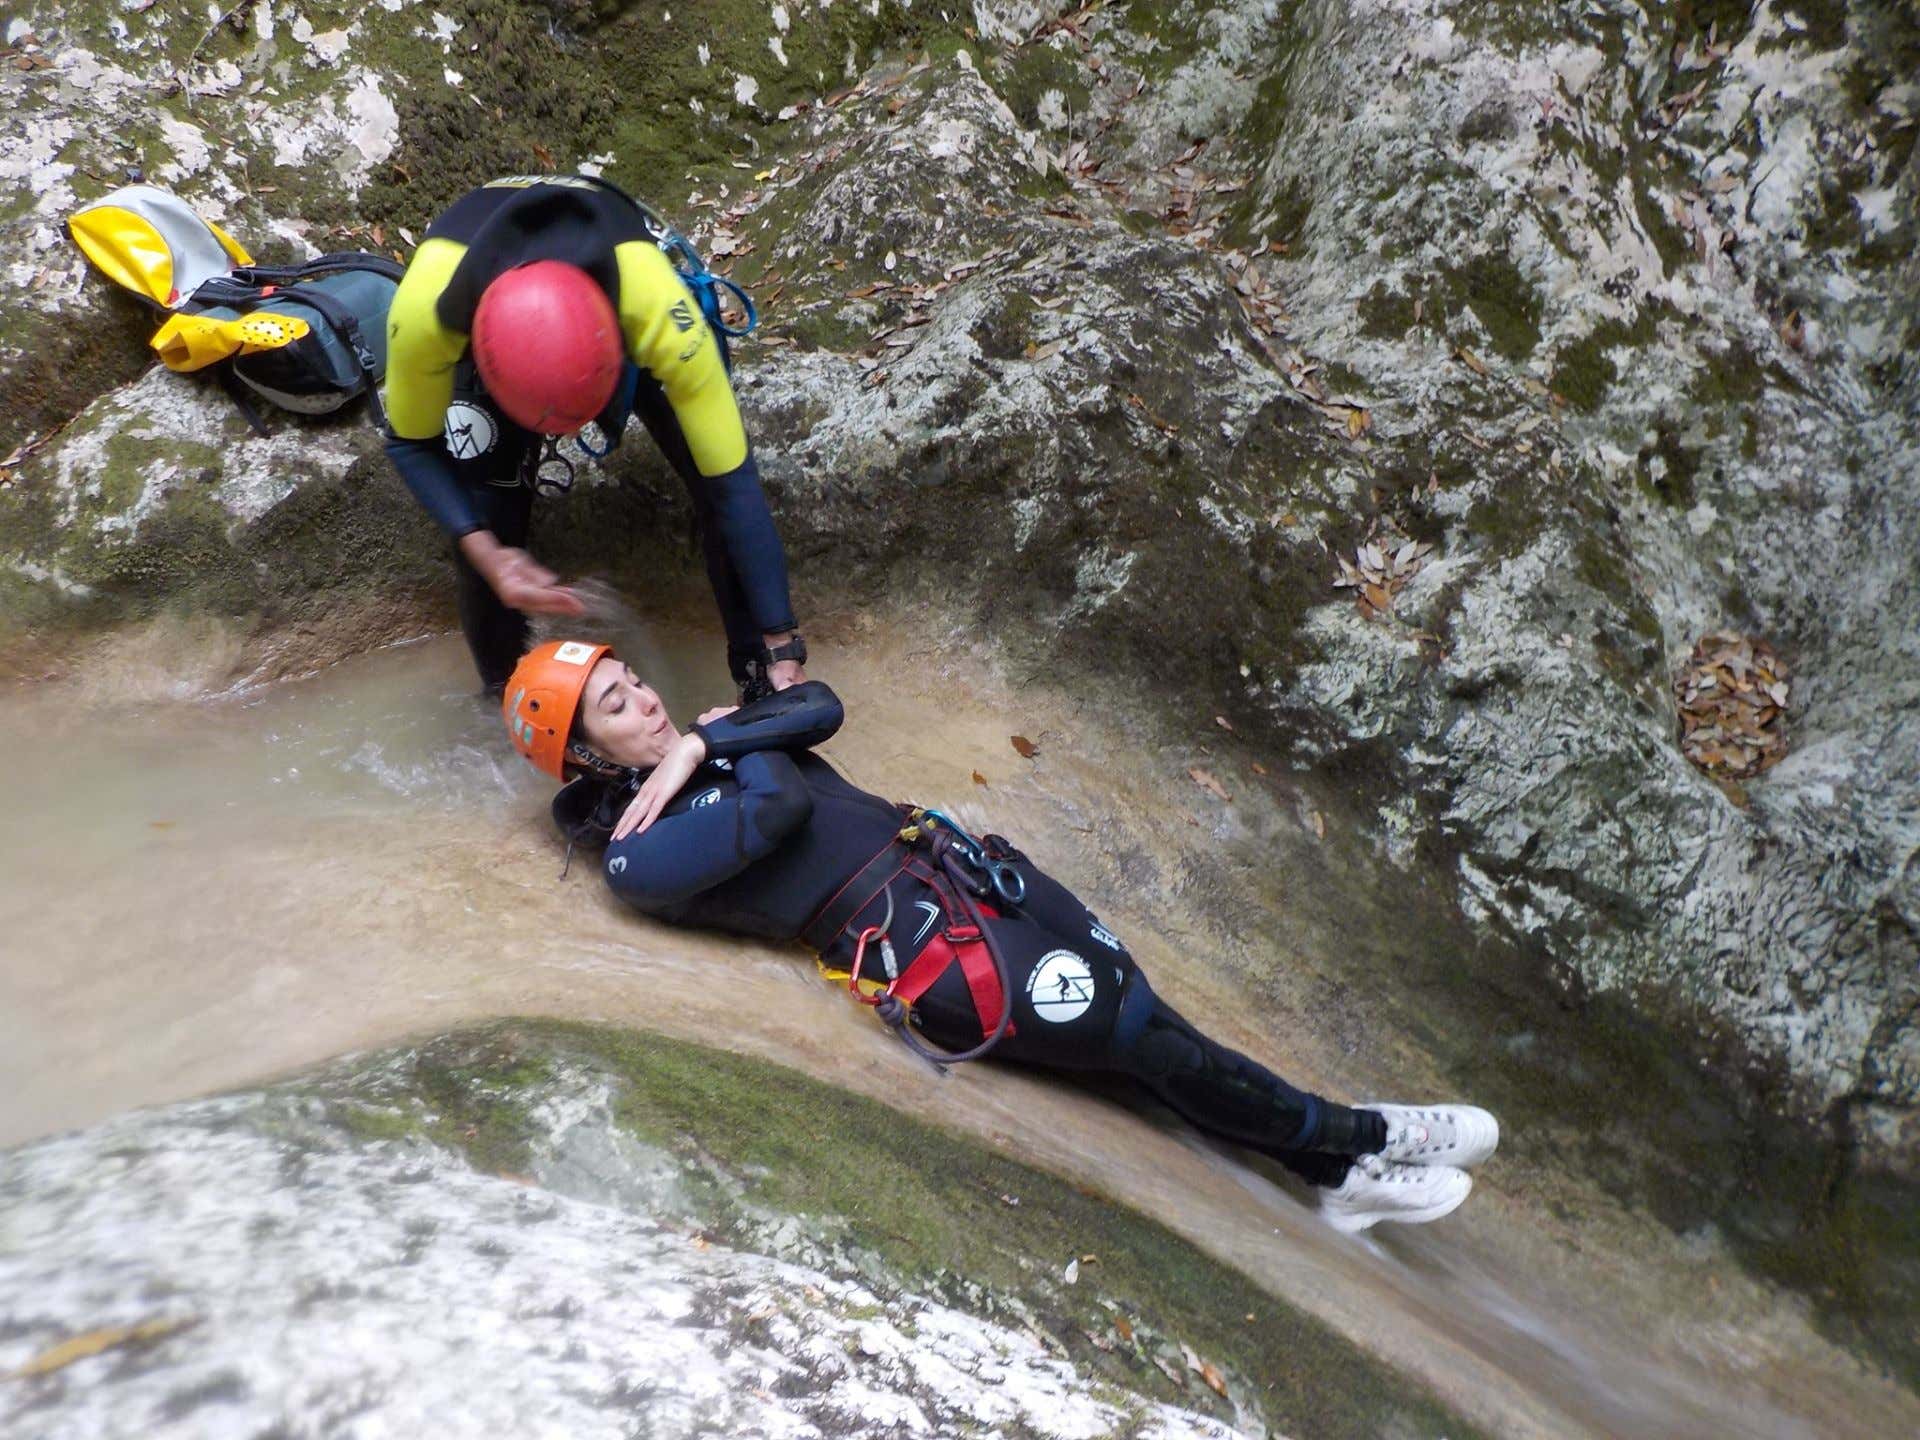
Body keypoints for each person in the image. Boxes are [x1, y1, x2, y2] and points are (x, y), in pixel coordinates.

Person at [500, 640, 1502, 1232]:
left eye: (635, 680)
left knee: (1143, 1023)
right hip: (924, 948)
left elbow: (816, 706)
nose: (648, 700)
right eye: (616, 704)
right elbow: (777, 812)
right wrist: (717, 741)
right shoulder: (636, 852)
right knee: (1130, 1032)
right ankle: (1352, 1141)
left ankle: (1328, 1172)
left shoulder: (698, 749)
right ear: (586, 755)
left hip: (959, 872)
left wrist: (710, 739)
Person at [383, 175, 807, 700]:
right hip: (487, 316)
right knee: (485, 512)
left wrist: (783, 645)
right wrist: (488, 553)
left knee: (708, 478)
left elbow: (732, 483)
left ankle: (760, 678)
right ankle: (505, 698)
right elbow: (410, 444)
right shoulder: (426, 315)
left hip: (611, 283)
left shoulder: (657, 311)